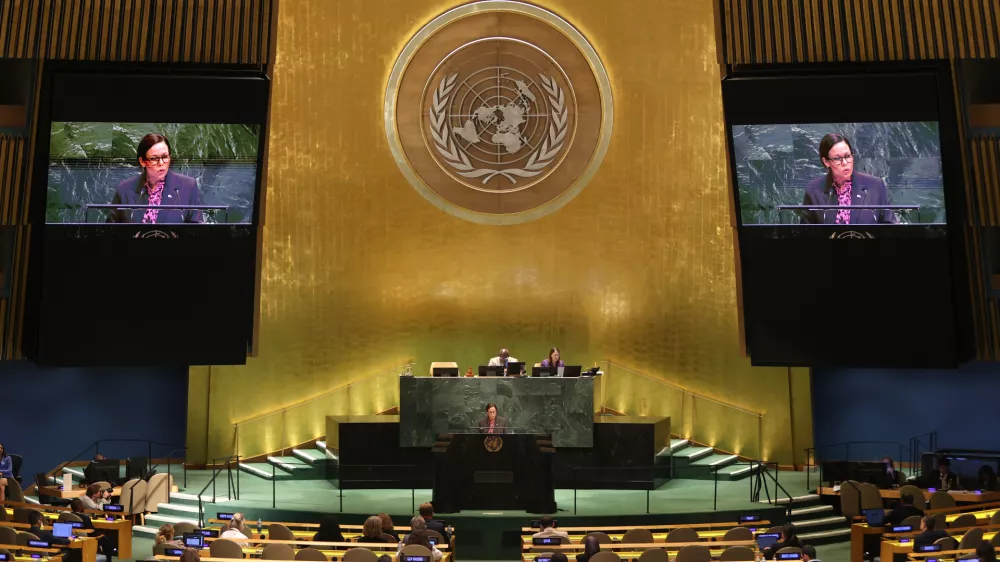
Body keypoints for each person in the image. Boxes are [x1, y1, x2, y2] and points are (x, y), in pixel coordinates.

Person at [107, 133, 204, 224]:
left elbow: (197, 231)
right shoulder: (124, 190)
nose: (161, 163)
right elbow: (111, 230)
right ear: (142, 161)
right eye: (154, 159)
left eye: (165, 157)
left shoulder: (188, 186)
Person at [800, 133, 895, 225]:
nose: (845, 162)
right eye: (837, 158)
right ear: (826, 162)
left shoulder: (875, 185)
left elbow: (890, 226)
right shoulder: (813, 190)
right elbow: (806, 233)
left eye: (847, 156)